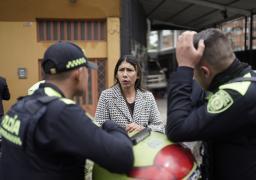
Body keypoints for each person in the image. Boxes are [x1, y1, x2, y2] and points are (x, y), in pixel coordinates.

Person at [0, 41, 134, 180]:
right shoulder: (61, 113)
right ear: (79, 73)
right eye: (87, 70)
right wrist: (110, 125)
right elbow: (123, 158)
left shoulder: (20, 106)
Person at [166, 28, 256, 179]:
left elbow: (177, 129)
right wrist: (191, 65)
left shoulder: (240, 93)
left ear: (205, 72)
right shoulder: (236, 78)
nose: (192, 78)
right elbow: (191, 103)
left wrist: (184, 68)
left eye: (194, 74)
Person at [95, 55, 164, 133]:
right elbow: (98, 127)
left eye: (129, 70)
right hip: (117, 144)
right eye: (121, 70)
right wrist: (120, 132)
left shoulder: (147, 97)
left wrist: (143, 129)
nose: (124, 75)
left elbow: (159, 126)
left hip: (143, 143)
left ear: (138, 75)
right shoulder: (106, 96)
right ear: (116, 75)